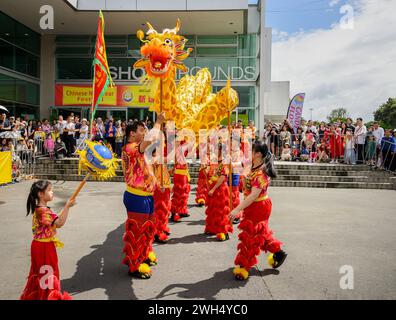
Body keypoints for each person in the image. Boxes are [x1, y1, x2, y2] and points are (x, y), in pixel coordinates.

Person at [229, 141, 287, 281]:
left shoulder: (262, 173)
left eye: (251, 150)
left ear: (258, 154)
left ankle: (243, 267)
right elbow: (238, 165)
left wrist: (236, 209)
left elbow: (254, 195)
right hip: (252, 205)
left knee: (250, 236)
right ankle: (278, 252)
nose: (248, 152)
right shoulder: (252, 164)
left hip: (259, 206)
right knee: (260, 233)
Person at [121, 113, 165, 279]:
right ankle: (135, 263)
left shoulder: (142, 152)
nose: (144, 132)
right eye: (141, 130)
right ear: (132, 133)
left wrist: (157, 184)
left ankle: (144, 254)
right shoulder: (130, 148)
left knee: (148, 229)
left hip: (147, 196)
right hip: (136, 197)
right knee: (137, 232)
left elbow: (147, 171)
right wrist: (158, 123)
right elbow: (150, 138)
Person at [20, 180, 75, 300]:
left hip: (39, 245)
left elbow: (54, 222)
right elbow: (59, 223)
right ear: (40, 194)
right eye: (49, 190)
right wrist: (67, 207)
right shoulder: (43, 211)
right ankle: (47, 297)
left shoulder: (40, 209)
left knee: (42, 274)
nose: (52, 192)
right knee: (48, 274)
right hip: (44, 247)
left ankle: (43, 296)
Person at [205, 144, 233, 241]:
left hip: (220, 189)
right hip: (213, 187)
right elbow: (210, 173)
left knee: (221, 211)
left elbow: (222, 177)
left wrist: (213, 189)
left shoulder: (225, 162)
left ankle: (223, 231)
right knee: (213, 209)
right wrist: (206, 169)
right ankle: (212, 228)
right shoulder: (214, 160)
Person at [152, 150, 172, 244]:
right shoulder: (153, 159)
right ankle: (157, 232)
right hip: (159, 188)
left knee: (165, 209)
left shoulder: (159, 158)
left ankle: (162, 228)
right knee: (159, 210)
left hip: (165, 187)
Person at [170, 139, 192, 222]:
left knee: (183, 192)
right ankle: (176, 213)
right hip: (181, 174)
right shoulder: (179, 145)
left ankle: (181, 211)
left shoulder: (181, 145)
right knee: (180, 193)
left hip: (181, 172)